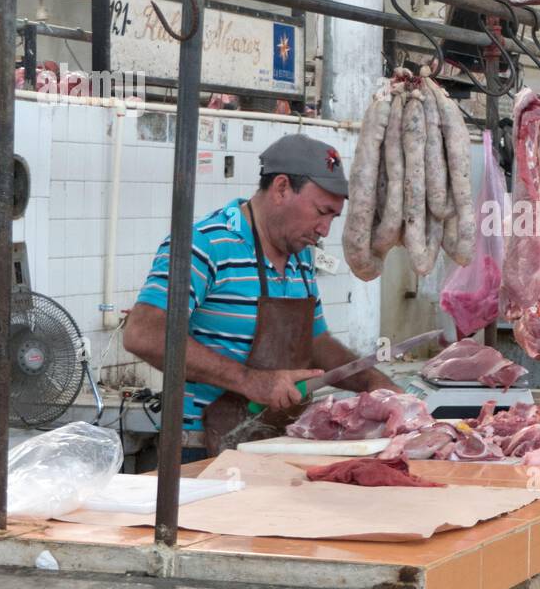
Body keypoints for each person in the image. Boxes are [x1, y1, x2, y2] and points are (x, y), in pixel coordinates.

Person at [124, 134, 399, 459]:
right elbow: (144, 334)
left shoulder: (300, 257)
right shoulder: (204, 245)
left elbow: (316, 340)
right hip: (202, 453)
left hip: (279, 446)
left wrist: (371, 380)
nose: (324, 230)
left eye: (333, 218)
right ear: (282, 188)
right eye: (321, 212)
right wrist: (250, 381)